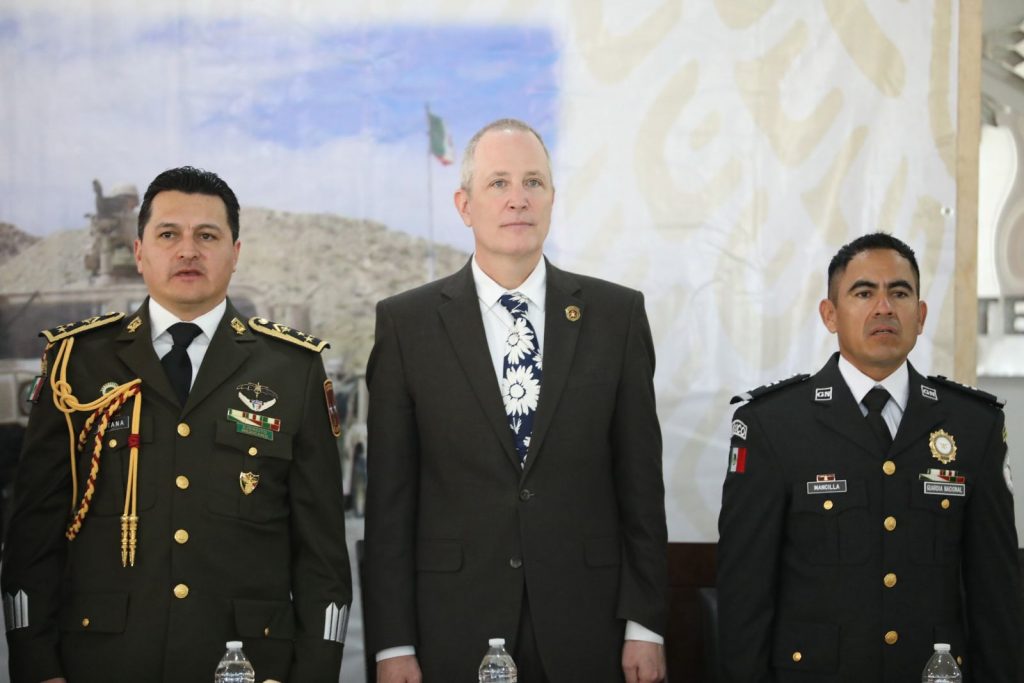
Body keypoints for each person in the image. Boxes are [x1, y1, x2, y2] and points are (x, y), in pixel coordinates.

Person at [1, 166, 351, 683]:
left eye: (207, 236)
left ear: (235, 252)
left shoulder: (292, 369)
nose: (188, 250)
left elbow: (322, 555)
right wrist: (37, 666)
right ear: (140, 251)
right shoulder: (76, 364)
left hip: (247, 666)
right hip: (102, 664)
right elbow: (34, 537)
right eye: (168, 234)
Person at [363, 119, 669, 683]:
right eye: (498, 183)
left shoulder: (616, 317)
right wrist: (391, 645)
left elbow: (641, 486)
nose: (518, 198)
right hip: (451, 625)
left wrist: (645, 626)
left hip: (590, 624)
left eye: (533, 182)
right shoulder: (407, 324)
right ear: (465, 205)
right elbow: (389, 503)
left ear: (552, 198)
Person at [717, 232, 1020, 682]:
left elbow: (996, 593)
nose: (884, 307)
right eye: (863, 293)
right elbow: (744, 593)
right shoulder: (772, 424)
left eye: (899, 292)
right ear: (830, 314)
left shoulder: (974, 425)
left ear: (920, 316)